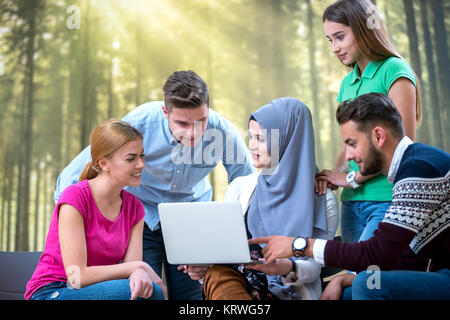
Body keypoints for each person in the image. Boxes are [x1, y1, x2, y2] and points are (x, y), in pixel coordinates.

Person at [53, 70, 255, 300]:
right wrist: (71, 230)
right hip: (143, 217)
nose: (192, 132)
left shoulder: (223, 132)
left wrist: (228, 243)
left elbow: (246, 187)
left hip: (191, 219)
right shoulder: (140, 122)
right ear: (165, 112)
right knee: (144, 292)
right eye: (182, 123)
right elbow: (74, 174)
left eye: (200, 122)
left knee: (190, 297)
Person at [249, 93, 450, 300]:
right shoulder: (409, 169)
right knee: (348, 292)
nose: (348, 156)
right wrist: (343, 279)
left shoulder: (420, 169)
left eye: (352, 144)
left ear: (379, 136)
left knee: (366, 285)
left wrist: (299, 245)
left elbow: (375, 253)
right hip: (439, 274)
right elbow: (400, 256)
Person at [314, 0, 422, 298]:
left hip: (386, 201)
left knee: (363, 285)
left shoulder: (394, 70)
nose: (334, 47)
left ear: (363, 30)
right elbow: (348, 143)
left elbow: (402, 149)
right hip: (352, 205)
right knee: (355, 290)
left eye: (340, 36)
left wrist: (349, 178)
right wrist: (332, 176)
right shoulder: (348, 83)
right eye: (330, 40)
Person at [202, 97, 338, 300]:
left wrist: (287, 267)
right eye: (251, 137)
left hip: (287, 292)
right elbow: (224, 249)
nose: (252, 147)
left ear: (289, 141)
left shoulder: (322, 199)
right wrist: (201, 267)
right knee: (217, 274)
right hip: (238, 284)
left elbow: (316, 266)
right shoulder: (240, 187)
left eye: (261, 139)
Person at [25, 120, 166, 300]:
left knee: (146, 289)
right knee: (147, 293)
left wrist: (138, 271)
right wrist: (140, 267)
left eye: (142, 156)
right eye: (131, 158)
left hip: (95, 288)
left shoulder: (135, 207)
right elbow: (77, 277)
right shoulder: (74, 197)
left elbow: (132, 269)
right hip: (54, 290)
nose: (140, 164)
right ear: (104, 163)